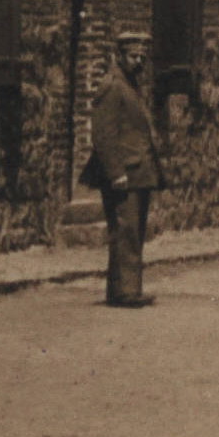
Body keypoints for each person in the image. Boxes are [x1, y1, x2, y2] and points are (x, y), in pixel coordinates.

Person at [85, 28, 164, 307]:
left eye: (142, 56)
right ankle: (126, 292)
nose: (139, 61)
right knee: (126, 231)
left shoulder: (130, 84)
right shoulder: (113, 86)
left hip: (138, 171)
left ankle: (125, 288)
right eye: (133, 56)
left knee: (133, 231)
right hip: (125, 172)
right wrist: (115, 172)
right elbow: (103, 134)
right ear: (119, 56)